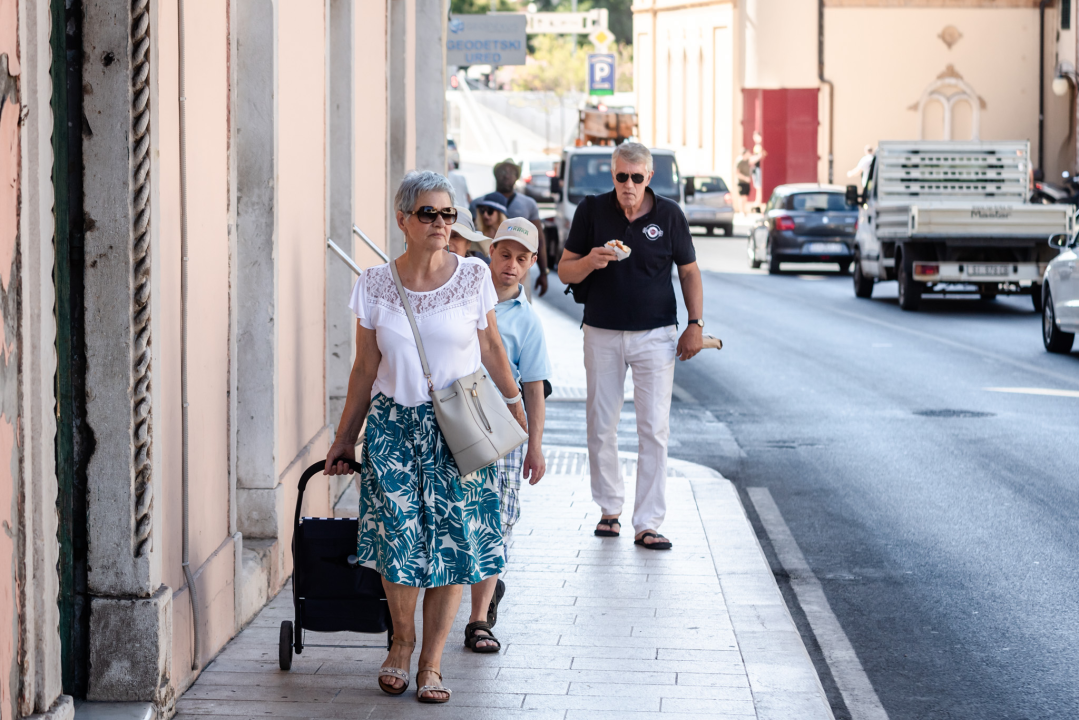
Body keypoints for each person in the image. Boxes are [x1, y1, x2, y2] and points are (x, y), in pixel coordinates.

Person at [324, 171, 526, 704]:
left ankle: (432, 663)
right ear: (403, 221)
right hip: (393, 426)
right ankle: (401, 643)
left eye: (448, 214)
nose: (441, 223)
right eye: (429, 214)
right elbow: (364, 369)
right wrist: (346, 437)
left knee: (455, 545)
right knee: (400, 540)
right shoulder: (373, 284)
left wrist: (516, 409)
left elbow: (492, 350)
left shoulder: (474, 275)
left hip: (458, 427)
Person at [557, 142, 704, 551]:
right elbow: (564, 269)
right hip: (602, 332)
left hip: (656, 334)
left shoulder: (670, 215)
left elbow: (689, 273)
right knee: (601, 424)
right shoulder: (591, 210)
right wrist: (592, 260)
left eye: (637, 178)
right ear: (613, 175)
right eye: (622, 176)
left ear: (649, 178)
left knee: (653, 428)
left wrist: (695, 324)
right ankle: (609, 509)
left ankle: (648, 523)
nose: (629, 185)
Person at [465, 217, 551, 653]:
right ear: (490, 252)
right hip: (457, 422)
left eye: (521, 259)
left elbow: (534, 387)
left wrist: (534, 445)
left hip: (504, 431)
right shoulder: (463, 297)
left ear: (532, 263)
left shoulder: (528, 322)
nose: (510, 265)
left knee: (497, 520)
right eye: (504, 255)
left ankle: (478, 619)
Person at [471, 159, 549, 296]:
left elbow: (539, 240)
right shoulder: (479, 204)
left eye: (511, 172)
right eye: (502, 171)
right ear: (495, 175)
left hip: (519, 273)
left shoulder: (528, 204)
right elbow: (468, 239)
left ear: (517, 177)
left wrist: (544, 271)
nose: (506, 175)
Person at [735, 149, 753, 213]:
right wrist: (745, 178)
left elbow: (754, 159)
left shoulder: (747, 160)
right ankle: (741, 211)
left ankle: (744, 210)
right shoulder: (739, 161)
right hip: (741, 182)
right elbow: (736, 173)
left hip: (746, 182)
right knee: (742, 197)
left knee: (745, 197)